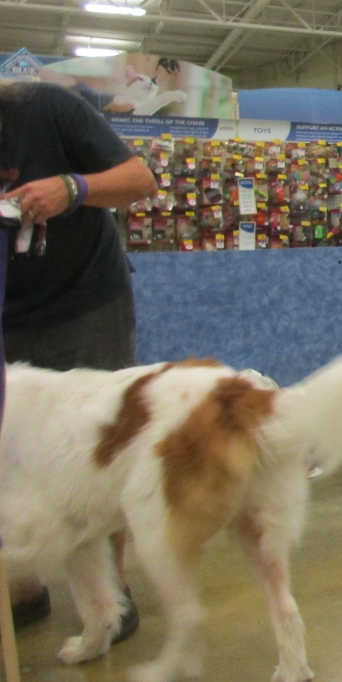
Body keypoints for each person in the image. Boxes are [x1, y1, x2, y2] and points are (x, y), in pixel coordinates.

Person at [1, 80, 157, 639]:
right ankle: (22, 591)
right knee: (9, 456)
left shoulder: (48, 108)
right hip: (8, 312)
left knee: (103, 449)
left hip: (87, 303)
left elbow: (141, 180)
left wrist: (74, 187)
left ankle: (111, 596)